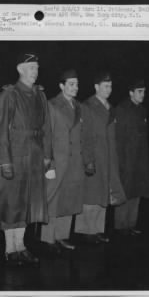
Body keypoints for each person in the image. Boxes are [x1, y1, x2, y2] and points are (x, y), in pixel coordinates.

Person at [0, 52, 52, 266]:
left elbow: (47, 128)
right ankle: (10, 249)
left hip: (35, 157)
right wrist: (4, 161)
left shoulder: (40, 96)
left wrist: (47, 156)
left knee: (26, 204)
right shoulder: (9, 95)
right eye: (31, 69)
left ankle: (20, 246)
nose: (35, 73)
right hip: (16, 155)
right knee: (11, 204)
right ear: (20, 70)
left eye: (37, 69)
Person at [40, 69, 89, 253]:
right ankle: (47, 239)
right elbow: (46, 136)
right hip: (58, 161)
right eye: (71, 84)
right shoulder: (52, 105)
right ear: (62, 86)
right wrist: (49, 163)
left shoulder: (78, 106)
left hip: (74, 161)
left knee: (68, 199)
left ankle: (61, 237)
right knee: (53, 200)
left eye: (76, 84)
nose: (75, 88)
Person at [75, 71, 126, 244]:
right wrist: (88, 159)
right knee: (90, 195)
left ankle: (96, 230)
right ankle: (85, 231)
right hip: (94, 157)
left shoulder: (110, 107)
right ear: (96, 87)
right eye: (105, 86)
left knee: (103, 194)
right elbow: (85, 135)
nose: (109, 89)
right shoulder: (88, 106)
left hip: (108, 157)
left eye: (110, 86)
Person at [114, 79, 149, 236]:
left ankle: (130, 224)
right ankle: (120, 226)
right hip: (126, 157)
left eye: (144, 91)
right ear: (131, 93)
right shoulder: (122, 109)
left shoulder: (142, 110)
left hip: (139, 158)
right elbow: (119, 137)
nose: (142, 95)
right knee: (125, 191)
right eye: (139, 91)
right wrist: (120, 161)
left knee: (136, 191)